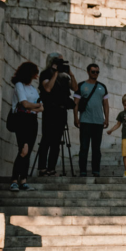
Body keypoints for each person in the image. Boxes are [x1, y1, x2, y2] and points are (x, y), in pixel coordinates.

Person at [37, 53, 77, 176]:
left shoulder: (64, 76)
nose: (61, 63)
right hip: (50, 109)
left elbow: (75, 88)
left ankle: (51, 168)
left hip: (61, 110)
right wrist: (55, 73)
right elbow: (48, 88)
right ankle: (42, 168)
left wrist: (71, 74)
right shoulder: (45, 73)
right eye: (59, 61)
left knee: (56, 141)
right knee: (46, 139)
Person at [9, 61, 43, 191]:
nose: (37, 75)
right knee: (23, 150)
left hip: (32, 120)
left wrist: (33, 107)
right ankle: (14, 180)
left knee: (28, 152)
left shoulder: (33, 89)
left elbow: (42, 108)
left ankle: (23, 180)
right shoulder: (19, 85)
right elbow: (24, 104)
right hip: (21, 119)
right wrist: (35, 106)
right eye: (35, 73)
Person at [72, 63, 109, 177]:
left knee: (96, 148)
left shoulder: (102, 86)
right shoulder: (81, 85)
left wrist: (107, 118)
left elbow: (105, 104)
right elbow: (75, 104)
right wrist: (76, 118)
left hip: (98, 122)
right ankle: (83, 171)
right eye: (93, 72)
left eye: (97, 72)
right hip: (85, 121)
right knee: (84, 147)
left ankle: (96, 170)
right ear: (88, 72)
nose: (95, 74)